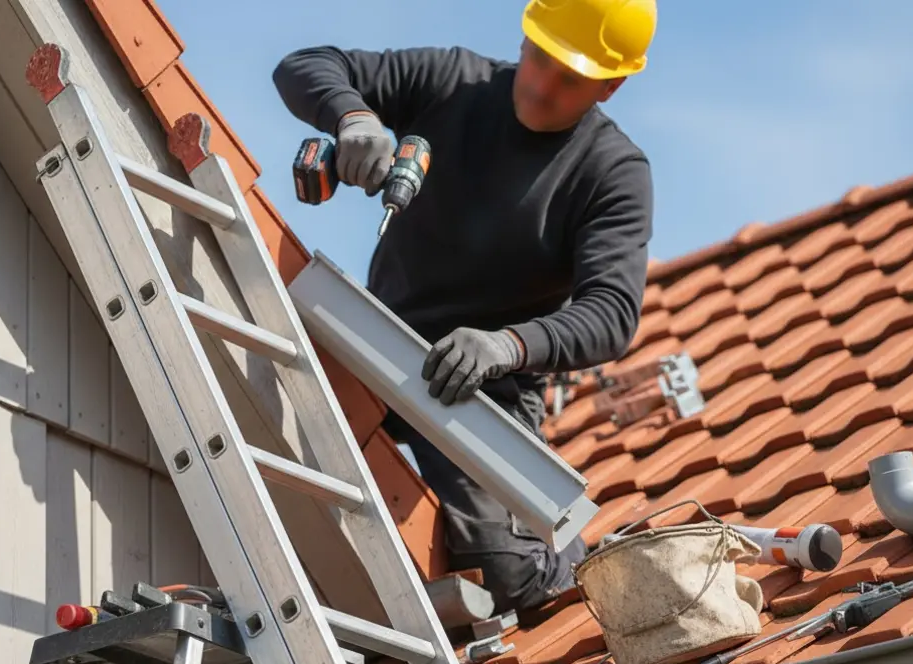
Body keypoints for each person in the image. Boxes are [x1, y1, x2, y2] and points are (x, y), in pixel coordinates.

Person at [272, 0, 657, 613]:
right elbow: (306, 64)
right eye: (539, 59)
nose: (540, 85)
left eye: (569, 79)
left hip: (481, 392)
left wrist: (506, 345)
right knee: (273, 433)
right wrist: (353, 117)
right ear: (526, 38)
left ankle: (569, 562)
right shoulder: (455, 81)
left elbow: (612, 313)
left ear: (611, 85)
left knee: (510, 577)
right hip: (374, 342)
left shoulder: (611, 173)